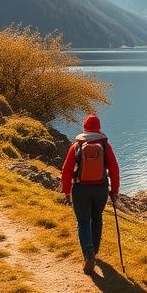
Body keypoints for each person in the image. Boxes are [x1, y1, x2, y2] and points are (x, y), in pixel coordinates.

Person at [61, 114, 120, 275]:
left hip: (81, 189)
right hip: (100, 189)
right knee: (97, 219)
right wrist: (114, 191)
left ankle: (88, 253)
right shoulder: (105, 145)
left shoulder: (77, 145)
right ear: (99, 128)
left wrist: (66, 191)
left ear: (84, 127)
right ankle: (94, 252)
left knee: (83, 222)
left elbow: (67, 170)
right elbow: (114, 170)